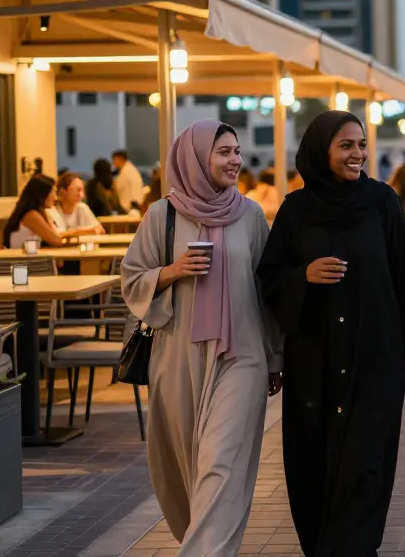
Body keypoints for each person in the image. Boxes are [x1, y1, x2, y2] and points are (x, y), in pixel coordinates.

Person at [257, 110, 405, 556]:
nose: (358, 154)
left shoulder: (381, 201)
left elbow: (404, 273)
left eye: (361, 145)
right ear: (322, 150)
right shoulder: (296, 209)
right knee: (313, 460)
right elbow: (269, 279)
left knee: (366, 463)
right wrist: (304, 276)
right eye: (346, 145)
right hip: (313, 358)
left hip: (375, 352)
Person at [120, 120, 282, 556]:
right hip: (177, 358)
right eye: (224, 152)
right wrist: (173, 271)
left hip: (241, 356)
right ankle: (203, 539)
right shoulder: (163, 215)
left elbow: (267, 293)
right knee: (185, 466)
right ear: (194, 157)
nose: (235, 161)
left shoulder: (249, 215)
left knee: (221, 463)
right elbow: (131, 279)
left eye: (237, 151)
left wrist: (273, 356)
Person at [2, 174, 64, 249]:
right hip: (22, 259)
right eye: (53, 192)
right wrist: (75, 232)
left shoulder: (37, 212)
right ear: (41, 194)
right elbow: (56, 241)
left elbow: (55, 235)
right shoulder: (31, 215)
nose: (55, 197)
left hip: (29, 258)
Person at [48, 172, 105, 237]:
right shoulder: (51, 211)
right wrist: (81, 231)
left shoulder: (82, 207)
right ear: (63, 191)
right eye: (78, 190)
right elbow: (57, 235)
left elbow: (101, 230)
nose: (82, 195)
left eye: (82, 191)